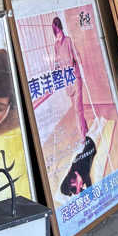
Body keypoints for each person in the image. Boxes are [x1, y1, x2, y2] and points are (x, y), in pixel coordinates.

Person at [52, 16, 88, 150]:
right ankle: (86, 129)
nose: (58, 35)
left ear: (61, 29)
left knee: (78, 110)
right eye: (56, 33)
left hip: (75, 78)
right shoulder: (55, 46)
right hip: (67, 81)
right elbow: (55, 63)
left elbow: (76, 56)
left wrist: (79, 66)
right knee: (76, 109)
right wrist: (53, 74)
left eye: (59, 31)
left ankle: (83, 138)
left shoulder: (68, 41)